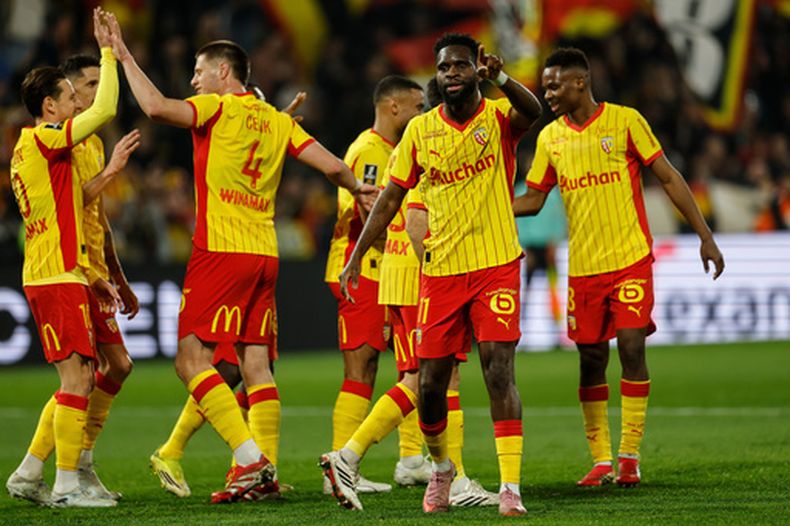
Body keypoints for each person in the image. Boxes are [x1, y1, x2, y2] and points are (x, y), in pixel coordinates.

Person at [104, 13, 377, 503]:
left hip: (221, 251)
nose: (193, 79)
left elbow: (156, 107)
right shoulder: (277, 121)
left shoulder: (215, 108)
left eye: (198, 70)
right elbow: (335, 166)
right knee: (255, 364)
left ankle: (252, 462)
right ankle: (260, 477)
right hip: (266, 255)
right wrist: (359, 189)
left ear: (223, 74)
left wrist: (124, 55)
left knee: (191, 361)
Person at [338, 33, 542, 516]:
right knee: (429, 384)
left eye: (460, 66)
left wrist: (505, 80)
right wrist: (355, 257)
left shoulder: (496, 117)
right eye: (444, 67)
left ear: (477, 69)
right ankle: (443, 469)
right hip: (441, 272)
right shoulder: (419, 132)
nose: (451, 73)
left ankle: (510, 486)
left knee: (498, 370)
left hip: (495, 265)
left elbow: (532, 111)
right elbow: (389, 198)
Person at [513, 47, 725, 488]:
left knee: (631, 346)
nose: (547, 93)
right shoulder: (551, 139)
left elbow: (668, 176)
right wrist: (490, 208)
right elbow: (533, 199)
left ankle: (629, 455)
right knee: (591, 360)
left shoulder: (626, 121)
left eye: (554, 85)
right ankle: (601, 459)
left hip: (630, 258)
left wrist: (704, 235)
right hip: (584, 268)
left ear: (580, 83)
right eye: (545, 85)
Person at [321, 78, 498, 511]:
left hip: (399, 273)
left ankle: (416, 464)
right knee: (435, 378)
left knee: (421, 378)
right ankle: (354, 457)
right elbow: (407, 214)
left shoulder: (407, 143)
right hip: (419, 273)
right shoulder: (430, 140)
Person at [5, 8, 138, 508]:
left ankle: (35, 473)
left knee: (88, 373)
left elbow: (73, 208)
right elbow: (103, 111)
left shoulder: (36, 148)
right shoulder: (42, 140)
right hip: (51, 273)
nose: (77, 102)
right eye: (69, 95)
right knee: (76, 378)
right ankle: (64, 484)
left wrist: (97, 275)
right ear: (52, 105)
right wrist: (110, 50)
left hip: (68, 269)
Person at [323, 75, 425, 496]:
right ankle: (339, 464)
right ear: (394, 107)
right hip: (363, 269)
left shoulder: (398, 151)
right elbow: (365, 211)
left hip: (389, 269)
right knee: (362, 368)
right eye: (418, 107)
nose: (424, 114)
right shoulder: (369, 151)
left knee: (411, 364)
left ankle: (412, 458)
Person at [62, 52, 140, 501]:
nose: (95, 93)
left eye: (98, 84)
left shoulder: (89, 143)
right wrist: (111, 171)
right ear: (70, 93)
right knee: (84, 376)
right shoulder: (63, 143)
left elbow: (99, 216)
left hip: (97, 269)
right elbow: (69, 206)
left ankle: (77, 462)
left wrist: (120, 276)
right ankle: (63, 468)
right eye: (89, 85)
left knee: (116, 367)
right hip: (72, 269)